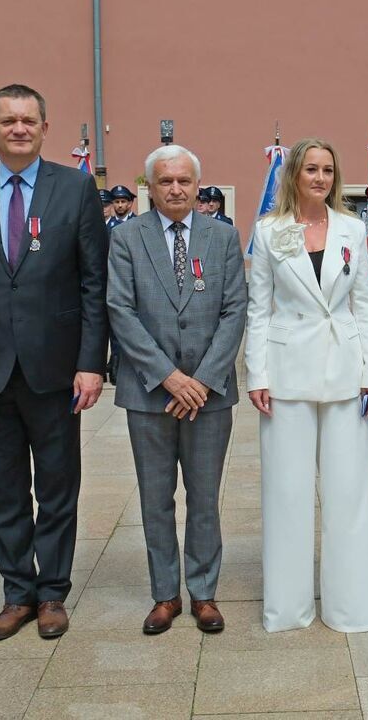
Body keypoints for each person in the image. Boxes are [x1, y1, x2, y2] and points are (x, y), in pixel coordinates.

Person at [0, 84, 108, 642]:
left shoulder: (76, 189)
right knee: (3, 487)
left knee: (58, 485)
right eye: (8, 120)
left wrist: (92, 362)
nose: (18, 128)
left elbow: (92, 284)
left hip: (56, 370)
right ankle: (17, 592)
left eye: (29, 120)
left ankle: (53, 591)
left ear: (44, 128)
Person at [246, 137, 368, 633]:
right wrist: (256, 374)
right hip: (285, 374)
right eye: (311, 170)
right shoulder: (268, 231)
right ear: (295, 176)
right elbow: (258, 308)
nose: (321, 178)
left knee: (351, 493)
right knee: (287, 494)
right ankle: (288, 608)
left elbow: (365, 304)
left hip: (348, 372)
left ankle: (353, 607)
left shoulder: (353, 227)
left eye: (328, 169)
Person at [106, 144, 247, 635]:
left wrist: (202, 380)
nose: (176, 189)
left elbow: (235, 310)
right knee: (155, 497)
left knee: (205, 498)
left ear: (197, 184)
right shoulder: (126, 237)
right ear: (150, 187)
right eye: (165, 181)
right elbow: (120, 310)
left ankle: (203, 593)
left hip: (209, 396)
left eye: (184, 180)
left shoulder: (223, 237)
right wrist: (169, 376)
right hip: (149, 393)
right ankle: (165, 594)